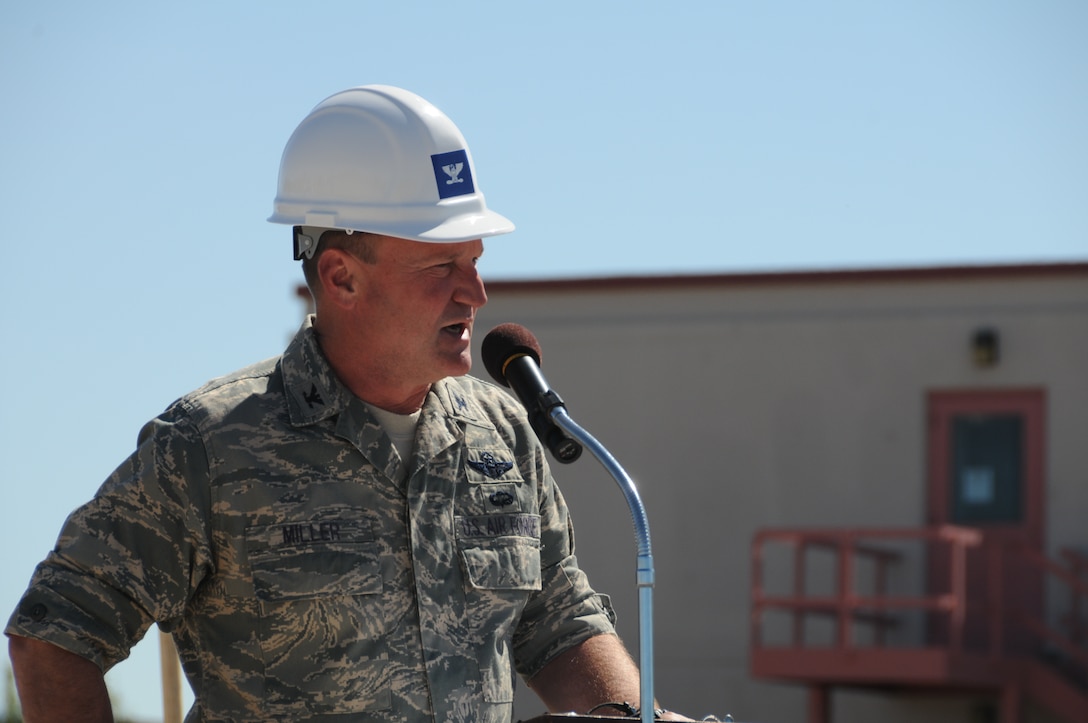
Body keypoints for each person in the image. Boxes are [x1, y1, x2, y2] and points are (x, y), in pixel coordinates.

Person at [6, 86, 691, 722]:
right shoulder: (209, 446)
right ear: (342, 277)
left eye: (476, 261)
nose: (476, 294)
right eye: (441, 266)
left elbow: (558, 620)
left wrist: (632, 717)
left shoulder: (502, 432)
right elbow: (54, 634)